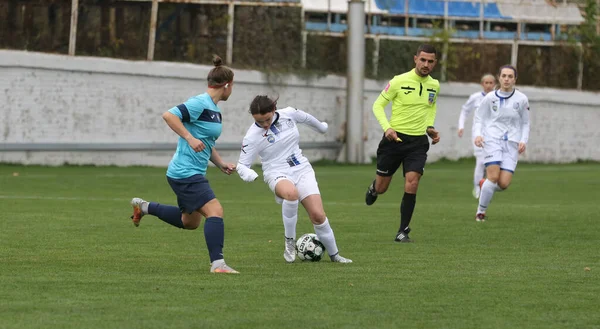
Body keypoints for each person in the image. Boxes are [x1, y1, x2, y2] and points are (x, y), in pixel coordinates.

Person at [129, 55, 239, 274]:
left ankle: (144, 207)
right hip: (185, 173)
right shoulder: (200, 103)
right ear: (227, 85)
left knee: (189, 222)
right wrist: (189, 138)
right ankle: (218, 265)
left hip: (189, 172)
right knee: (215, 211)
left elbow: (206, 142)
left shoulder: (214, 110)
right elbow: (169, 115)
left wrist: (219, 163)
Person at [236, 95, 352, 264]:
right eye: (259, 122)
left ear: (274, 110)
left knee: (318, 216)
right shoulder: (252, 136)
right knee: (291, 194)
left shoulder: (289, 114)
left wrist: (322, 128)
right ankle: (289, 243)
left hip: (302, 169)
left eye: (267, 119)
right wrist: (250, 174)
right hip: (275, 172)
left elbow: (307, 119)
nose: (264, 125)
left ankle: (335, 256)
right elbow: (241, 165)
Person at [364, 44, 441, 243]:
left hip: (417, 143)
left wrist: (430, 127)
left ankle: (402, 231)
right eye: (422, 60)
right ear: (415, 59)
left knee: (412, 182)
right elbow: (377, 105)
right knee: (382, 188)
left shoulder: (434, 85)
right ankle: (374, 188)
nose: (426, 64)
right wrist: (387, 128)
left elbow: (430, 107)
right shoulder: (399, 81)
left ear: (435, 63)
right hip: (394, 140)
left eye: (430, 61)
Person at [473, 65, 530, 222]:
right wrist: (478, 135)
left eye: (510, 76)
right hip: (492, 140)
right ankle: (481, 212)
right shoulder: (490, 98)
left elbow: (525, 123)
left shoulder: (522, 99)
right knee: (493, 176)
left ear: (515, 79)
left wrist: (523, 140)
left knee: (503, 183)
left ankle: (484, 185)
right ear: (499, 77)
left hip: (511, 143)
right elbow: (479, 117)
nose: (506, 79)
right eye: (504, 76)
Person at [457, 74, 497, 199]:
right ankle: (477, 189)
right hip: (478, 134)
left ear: (494, 84)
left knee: (491, 163)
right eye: (486, 83)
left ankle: (487, 186)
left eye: (491, 83)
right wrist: (461, 126)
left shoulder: (499, 97)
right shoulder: (475, 98)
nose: (489, 85)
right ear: (482, 84)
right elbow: (465, 110)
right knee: (480, 162)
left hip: (495, 135)